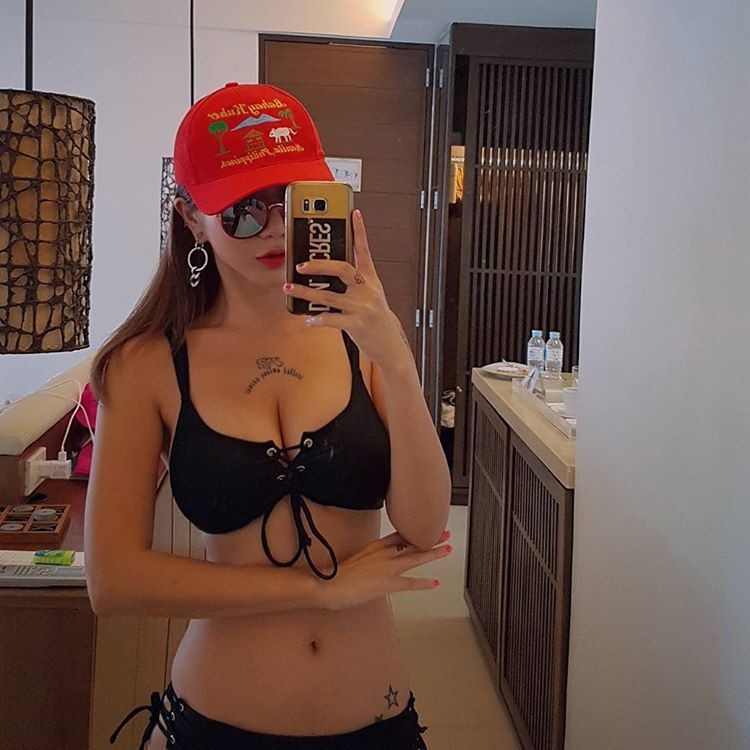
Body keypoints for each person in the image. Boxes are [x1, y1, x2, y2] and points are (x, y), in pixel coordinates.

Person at [84, 82, 453, 749]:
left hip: (376, 720)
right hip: (217, 722)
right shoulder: (146, 364)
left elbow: (424, 526)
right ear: (191, 218)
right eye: (245, 210)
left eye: (293, 198)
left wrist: (397, 359)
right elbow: (114, 581)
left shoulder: (360, 338)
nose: (277, 224)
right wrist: (319, 590)